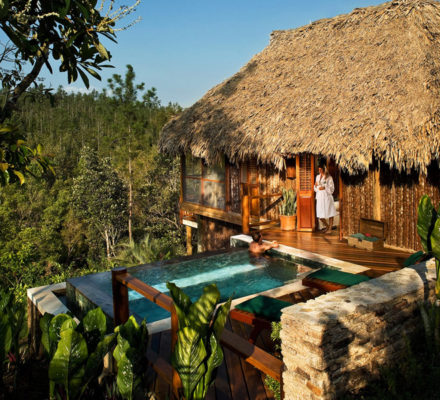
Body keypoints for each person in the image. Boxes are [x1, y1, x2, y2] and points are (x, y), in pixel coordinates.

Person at [314, 165, 337, 233]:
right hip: (320, 197)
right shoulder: (317, 177)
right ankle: (327, 226)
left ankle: (330, 229)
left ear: (324, 169)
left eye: (321, 169)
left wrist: (324, 188)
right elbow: (315, 188)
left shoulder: (329, 177)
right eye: (319, 169)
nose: (319, 171)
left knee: (330, 213)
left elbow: (332, 188)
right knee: (320, 215)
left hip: (327, 197)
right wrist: (316, 186)